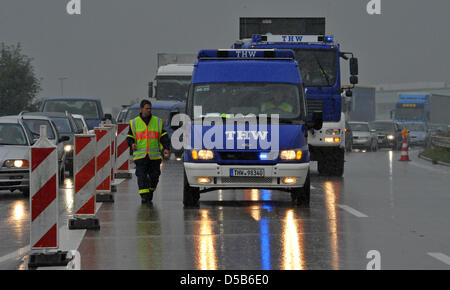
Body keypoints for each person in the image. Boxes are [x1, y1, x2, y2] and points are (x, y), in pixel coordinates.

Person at [127, 100, 170, 204]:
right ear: (141, 109)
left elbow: (163, 136)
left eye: (150, 108)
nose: (149, 110)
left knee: (154, 177)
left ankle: (150, 192)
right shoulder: (134, 122)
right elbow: (129, 137)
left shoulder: (157, 122)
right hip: (140, 156)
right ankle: (144, 197)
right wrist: (131, 143)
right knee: (141, 176)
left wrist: (166, 148)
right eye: (146, 108)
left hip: (154, 157)